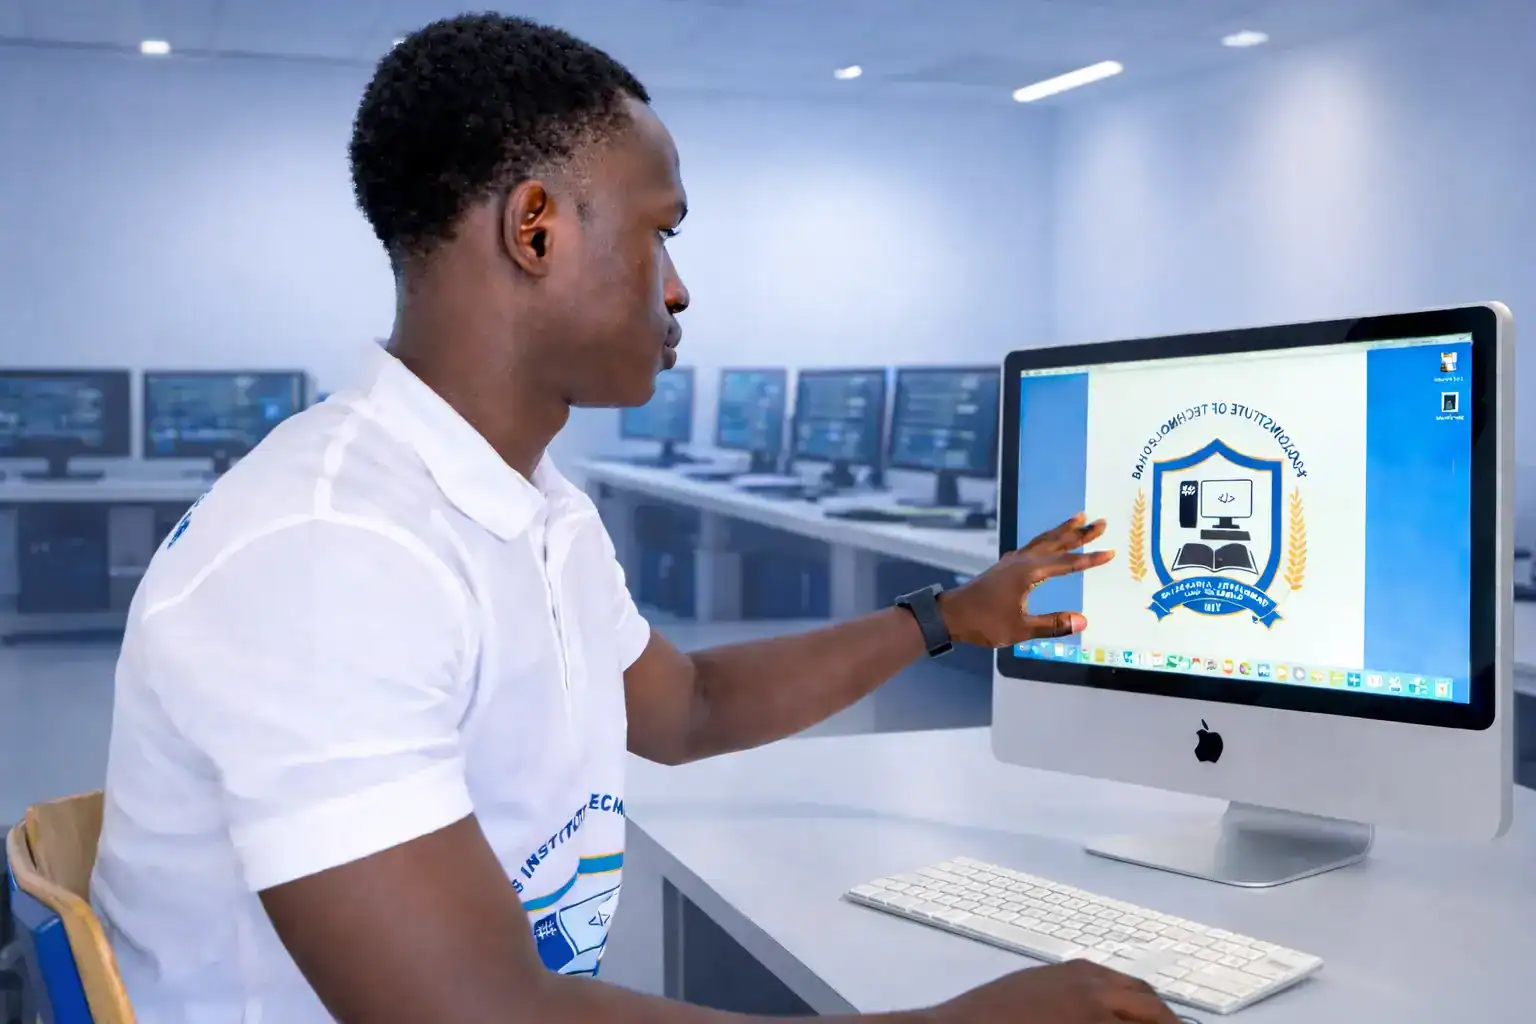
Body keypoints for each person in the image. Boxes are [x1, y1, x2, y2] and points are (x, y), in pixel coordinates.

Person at [89, 13, 1177, 1024]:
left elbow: (687, 709)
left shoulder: (534, 508)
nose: (680, 290)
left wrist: (942, 615)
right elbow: (477, 1014)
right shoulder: (332, 554)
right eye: (661, 233)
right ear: (536, 229)